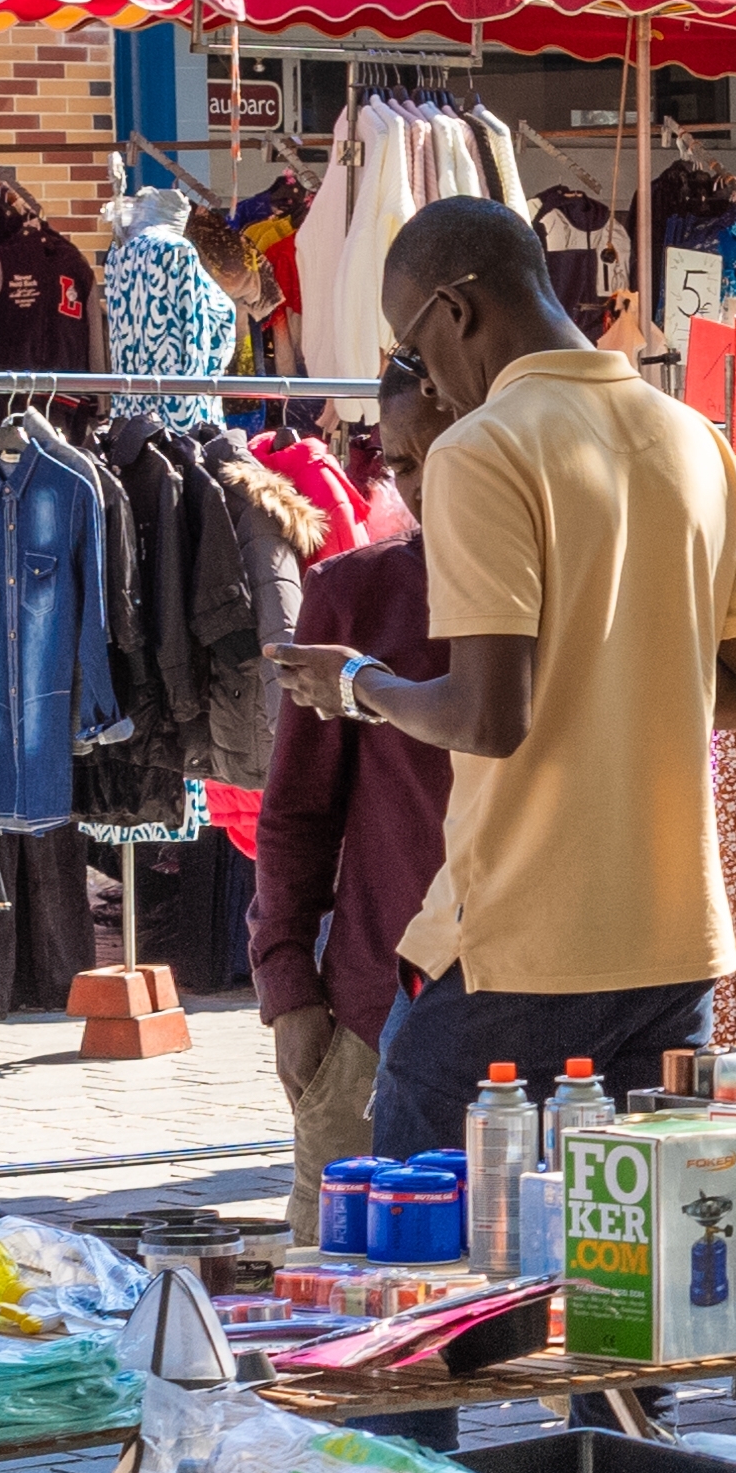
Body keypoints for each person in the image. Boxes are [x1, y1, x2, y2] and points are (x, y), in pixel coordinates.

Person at [302, 199, 736, 1157]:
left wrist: (360, 684)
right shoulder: (693, 439)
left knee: (454, 1286)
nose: (425, 377)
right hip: (671, 949)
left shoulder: (481, 449)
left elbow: (489, 715)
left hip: (517, 954)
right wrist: (623, 683)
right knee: (636, 1281)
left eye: (413, 344)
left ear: (456, 311)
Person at [245, 345, 461, 1174]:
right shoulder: (354, 594)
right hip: (372, 1025)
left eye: (437, 457)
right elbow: (297, 812)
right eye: (400, 463)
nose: (415, 486)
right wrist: (289, 991)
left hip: (540, 1032)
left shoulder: (576, 588)